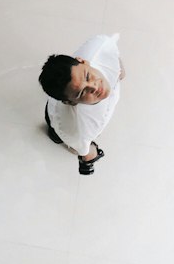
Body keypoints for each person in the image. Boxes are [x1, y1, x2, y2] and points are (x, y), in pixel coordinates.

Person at [39, 34, 125, 175]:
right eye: (82, 92)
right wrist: (89, 154)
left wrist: (119, 71)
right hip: (58, 121)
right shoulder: (76, 129)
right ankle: (54, 135)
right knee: (56, 134)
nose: (94, 86)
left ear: (82, 61)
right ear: (71, 102)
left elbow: (111, 49)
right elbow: (84, 150)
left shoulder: (100, 46)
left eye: (87, 76)